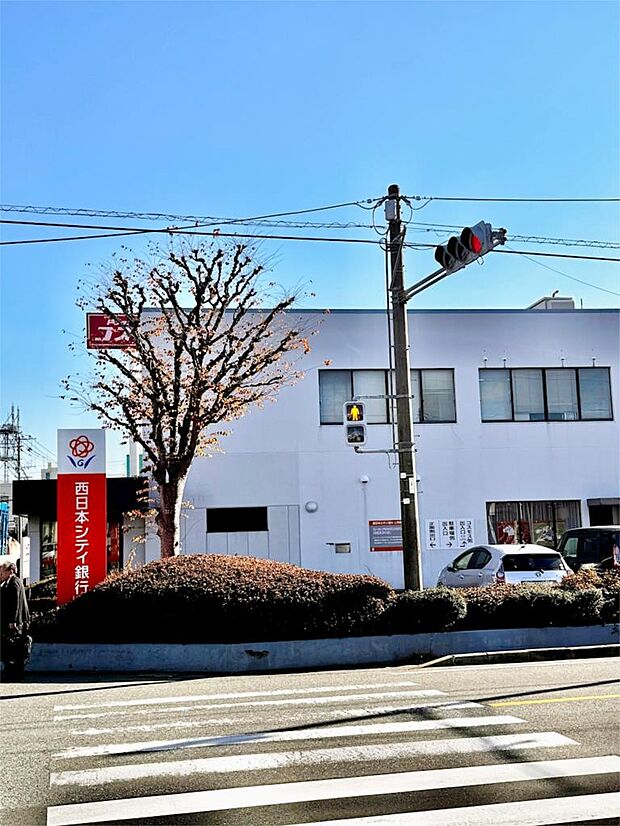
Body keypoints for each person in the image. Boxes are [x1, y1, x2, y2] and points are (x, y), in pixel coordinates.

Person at [0, 560, 31, 681]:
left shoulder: (15, 583)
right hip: (12, 621)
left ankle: (15, 671)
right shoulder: (8, 583)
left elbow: (16, 603)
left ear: (10, 571)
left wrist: (13, 621)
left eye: (3, 572)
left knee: (14, 646)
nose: (1, 575)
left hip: (16, 622)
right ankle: (11, 670)